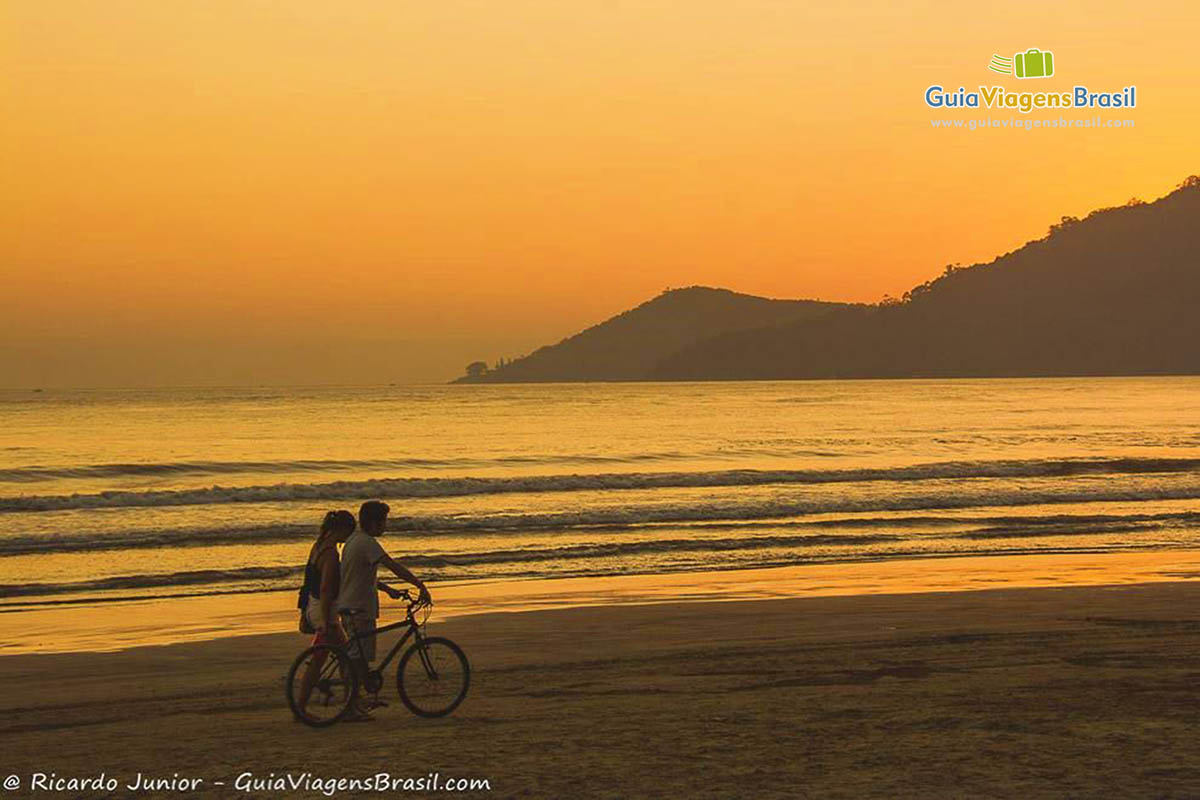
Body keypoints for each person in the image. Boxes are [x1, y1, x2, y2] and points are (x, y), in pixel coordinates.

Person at [338, 500, 431, 717]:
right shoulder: (368, 543)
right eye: (384, 522)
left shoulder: (353, 540)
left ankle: (355, 702)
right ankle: (350, 707)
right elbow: (393, 565)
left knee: (357, 658)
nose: (385, 526)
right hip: (359, 609)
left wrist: (388, 590)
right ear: (374, 522)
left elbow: (360, 575)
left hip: (350, 605)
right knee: (356, 660)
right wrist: (419, 585)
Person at [295, 509, 356, 718]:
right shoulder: (330, 553)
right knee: (335, 657)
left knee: (336, 657)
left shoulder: (317, 546)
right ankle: (347, 706)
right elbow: (326, 590)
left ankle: (350, 702)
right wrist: (328, 623)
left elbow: (310, 582)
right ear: (341, 530)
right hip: (324, 610)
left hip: (314, 606)